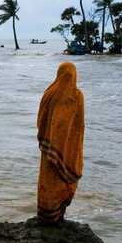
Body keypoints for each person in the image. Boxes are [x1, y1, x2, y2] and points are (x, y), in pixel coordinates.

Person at [36, 62, 84, 223]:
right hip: (67, 150)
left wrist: (48, 138)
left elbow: (41, 119)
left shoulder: (49, 92)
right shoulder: (77, 95)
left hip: (49, 147)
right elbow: (79, 125)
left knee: (48, 180)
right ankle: (57, 216)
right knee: (59, 180)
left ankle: (46, 216)